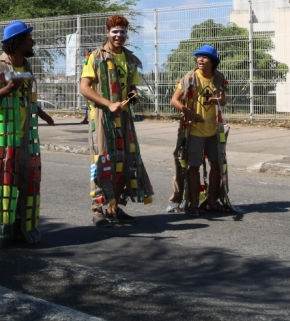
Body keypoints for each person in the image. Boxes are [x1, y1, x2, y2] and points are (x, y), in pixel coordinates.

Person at [0, 20, 55, 249]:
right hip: (1, 135)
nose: (32, 42)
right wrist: (8, 88)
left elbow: (27, 98)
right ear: (17, 42)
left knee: (25, 183)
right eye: (28, 39)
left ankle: (19, 231)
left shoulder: (25, 66)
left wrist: (43, 114)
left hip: (25, 136)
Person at [79, 15, 154, 227]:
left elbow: (132, 87)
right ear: (107, 33)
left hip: (124, 116)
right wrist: (109, 104)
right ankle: (97, 210)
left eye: (122, 32)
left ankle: (114, 208)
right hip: (102, 117)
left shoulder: (130, 59)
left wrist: (132, 96)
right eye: (115, 32)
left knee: (125, 161)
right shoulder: (95, 56)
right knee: (102, 161)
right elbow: (84, 87)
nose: (119, 35)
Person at [169, 45, 234, 216]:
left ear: (213, 62)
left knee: (216, 166)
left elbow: (224, 101)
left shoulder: (219, 78)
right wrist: (191, 114)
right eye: (198, 57)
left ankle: (211, 202)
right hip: (194, 130)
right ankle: (193, 204)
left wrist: (218, 100)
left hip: (214, 130)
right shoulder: (190, 77)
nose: (200, 60)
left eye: (204, 57)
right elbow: (174, 100)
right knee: (193, 167)